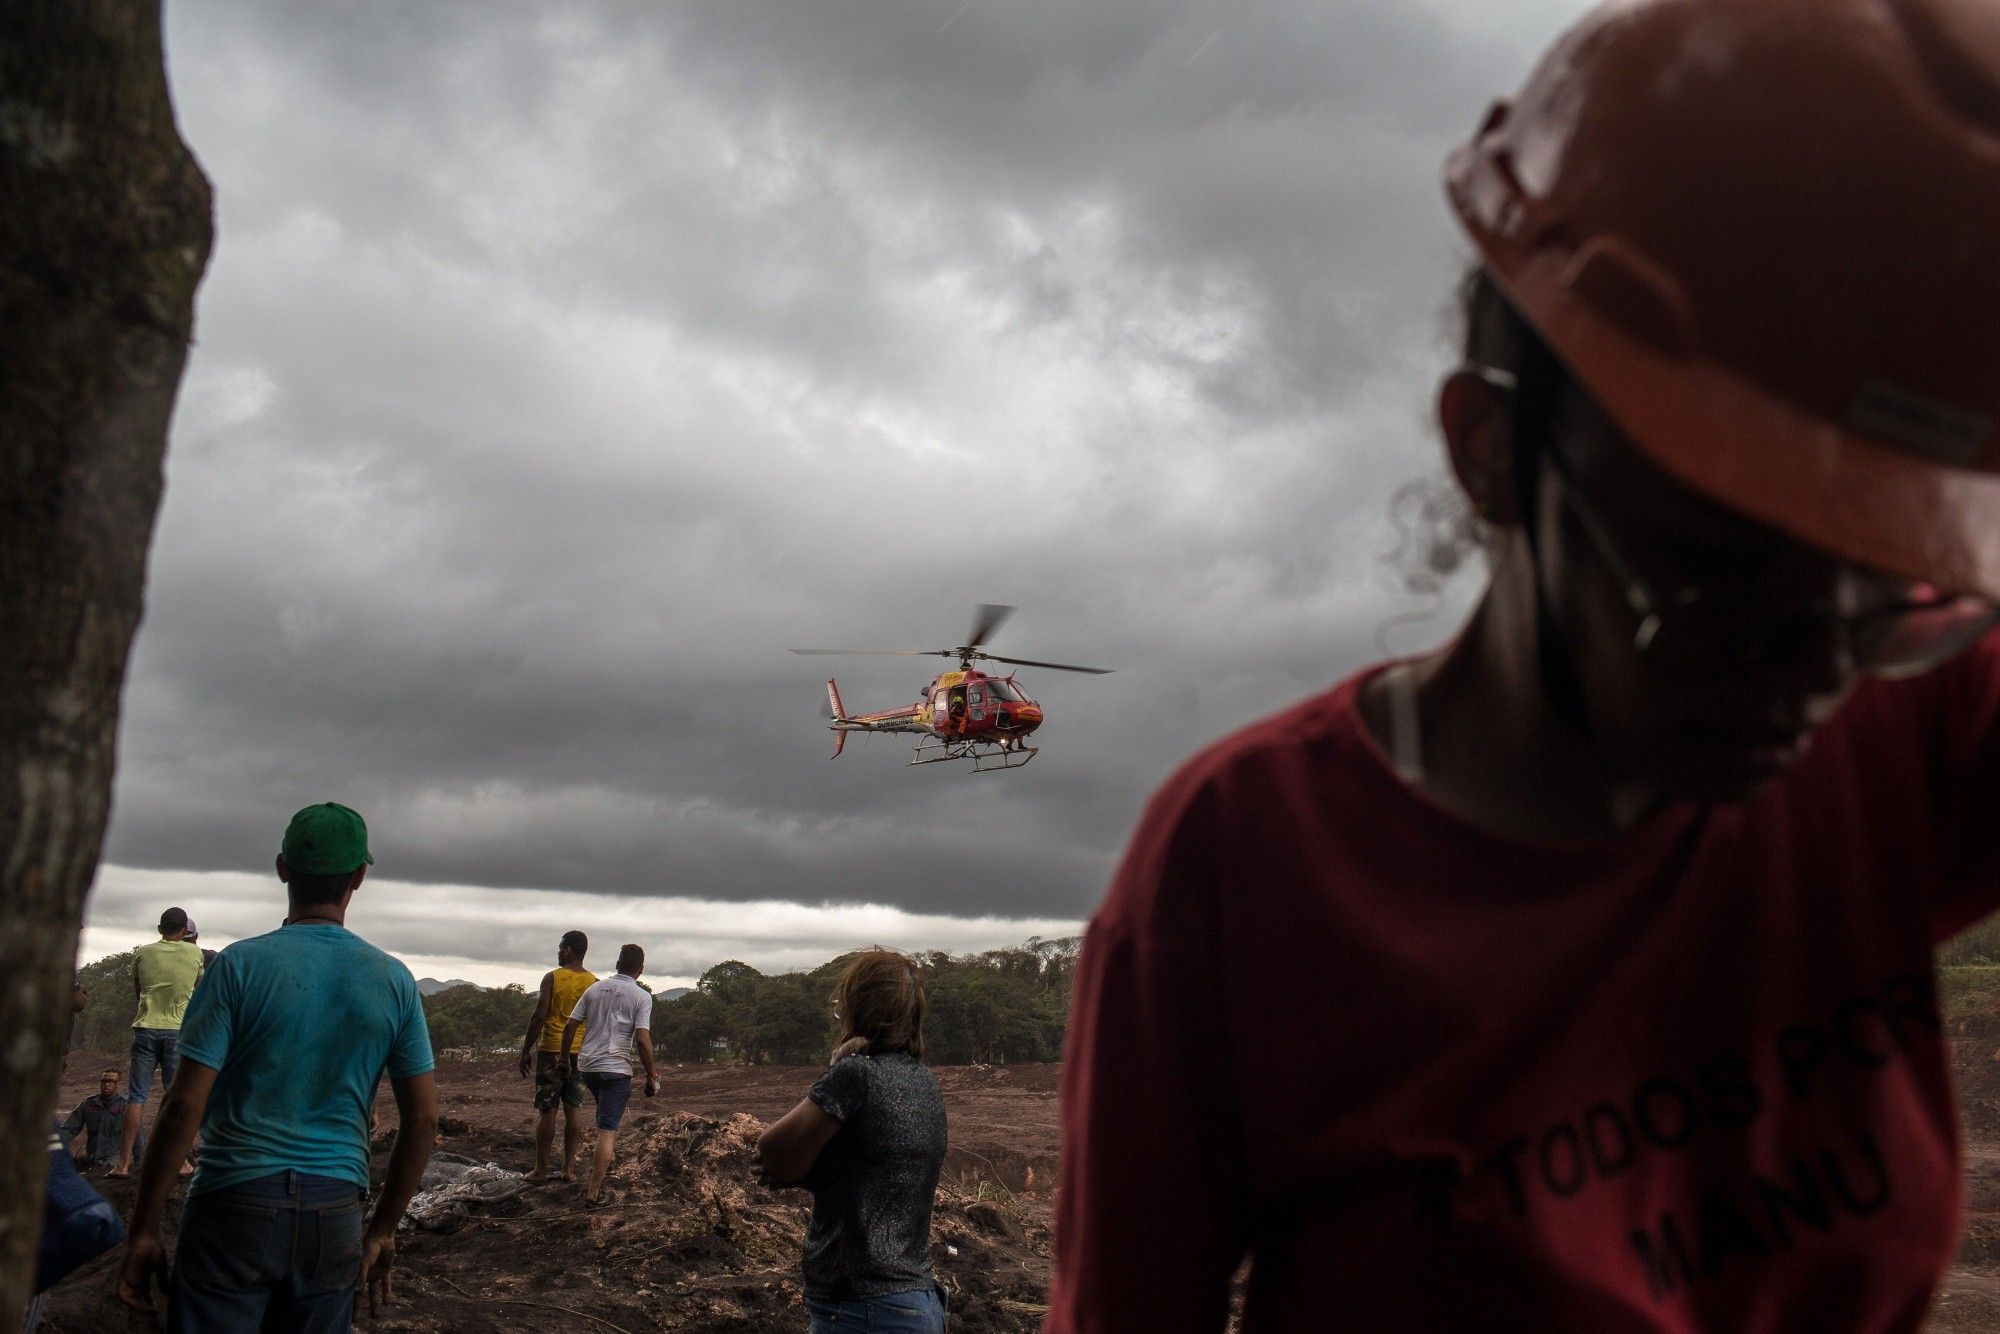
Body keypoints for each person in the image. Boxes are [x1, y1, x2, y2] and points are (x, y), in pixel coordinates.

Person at [1047, 3, 2000, 1329]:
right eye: (1715, 569)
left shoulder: (1907, 718)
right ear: (1494, 450)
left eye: (1883, 589)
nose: (1811, 677)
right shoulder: (1243, 865)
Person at [115, 802, 438, 1332]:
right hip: (334, 1214)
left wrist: (143, 1231)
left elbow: (182, 1106)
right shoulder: (394, 980)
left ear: (282, 867)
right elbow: (422, 1121)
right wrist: (382, 1229)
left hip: (231, 1206)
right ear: (359, 877)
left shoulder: (237, 967)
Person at [756, 950, 947, 1334]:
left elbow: (772, 1154)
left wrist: (836, 1069)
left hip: (863, 1310)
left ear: (857, 1008)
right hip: (918, 1301)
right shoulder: (924, 1082)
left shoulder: (855, 1077)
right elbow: (864, 1169)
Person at [559, 943, 658, 1205]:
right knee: (607, 1129)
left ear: (617, 964)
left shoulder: (595, 989)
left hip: (588, 1066)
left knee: (604, 1115)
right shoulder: (641, 996)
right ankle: (593, 1191)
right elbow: (642, 1039)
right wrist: (652, 1075)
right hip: (615, 1069)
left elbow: (570, 1026)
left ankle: (606, 1165)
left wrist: (563, 1059)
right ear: (640, 969)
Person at [110, 906, 203, 1177]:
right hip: (176, 1032)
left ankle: (123, 1164)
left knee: (136, 1097)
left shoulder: (142, 953)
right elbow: (195, 987)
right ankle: (181, 1162)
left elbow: (138, 991)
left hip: (145, 1029)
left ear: (160, 929)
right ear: (185, 930)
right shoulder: (194, 953)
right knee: (174, 1098)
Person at [518, 929, 596, 1181]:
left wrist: (526, 1050)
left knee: (548, 1110)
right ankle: (569, 1170)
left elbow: (540, 1014)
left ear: (569, 950)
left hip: (551, 1050)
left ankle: (540, 1170)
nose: (558, 952)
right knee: (574, 1108)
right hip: (579, 1053)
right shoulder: (594, 983)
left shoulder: (552, 977)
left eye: (561, 947)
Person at [62, 1068, 138, 1172]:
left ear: (117, 1084)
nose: (107, 1084)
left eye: (111, 1081)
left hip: (114, 1163)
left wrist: (139, 1163)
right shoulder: (88, 1104)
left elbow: (136, 1134)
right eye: (104, 1081)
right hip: (92, 1160)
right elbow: (69, 1129)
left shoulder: (125, 1106)